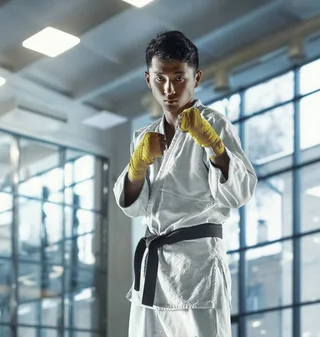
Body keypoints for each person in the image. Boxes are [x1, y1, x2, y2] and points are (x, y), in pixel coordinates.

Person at [113, 30, 257, 337]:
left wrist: (213, 146)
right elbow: (133, 207)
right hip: (153, 266)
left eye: (179, 78)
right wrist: (137, 166)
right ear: (148, 79)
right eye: (160, 78)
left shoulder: (214, 124)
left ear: (196, 78)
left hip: (197, 264)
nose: (169, 88)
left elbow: (240, 192)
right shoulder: (143, 137)